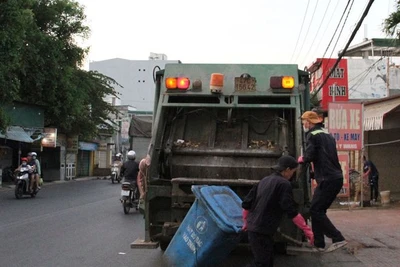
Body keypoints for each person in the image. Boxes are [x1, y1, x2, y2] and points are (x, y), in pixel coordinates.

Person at [242, 155, 314, 267]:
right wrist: (307, 230)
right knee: (262, 263)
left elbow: (246, 203)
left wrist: (246, 222)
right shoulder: (284, 184)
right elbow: (291, 211)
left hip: (255, 230)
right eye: (293, 172)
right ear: (287, 170)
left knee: (267, 261)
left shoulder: (264, 180)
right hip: (262, 231)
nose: (292, 175)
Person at [298, 111, 347, 253]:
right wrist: (315, 173)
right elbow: (325, 157)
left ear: (309, 122)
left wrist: (301, 159)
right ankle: (318, 243)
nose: (303, 124)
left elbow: (309, 156)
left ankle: (338, 238)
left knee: (315, 210)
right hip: (334, 177)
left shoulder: (312, 135)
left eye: (304, 122)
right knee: (317, 210)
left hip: (328, 179)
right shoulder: (327, 135)